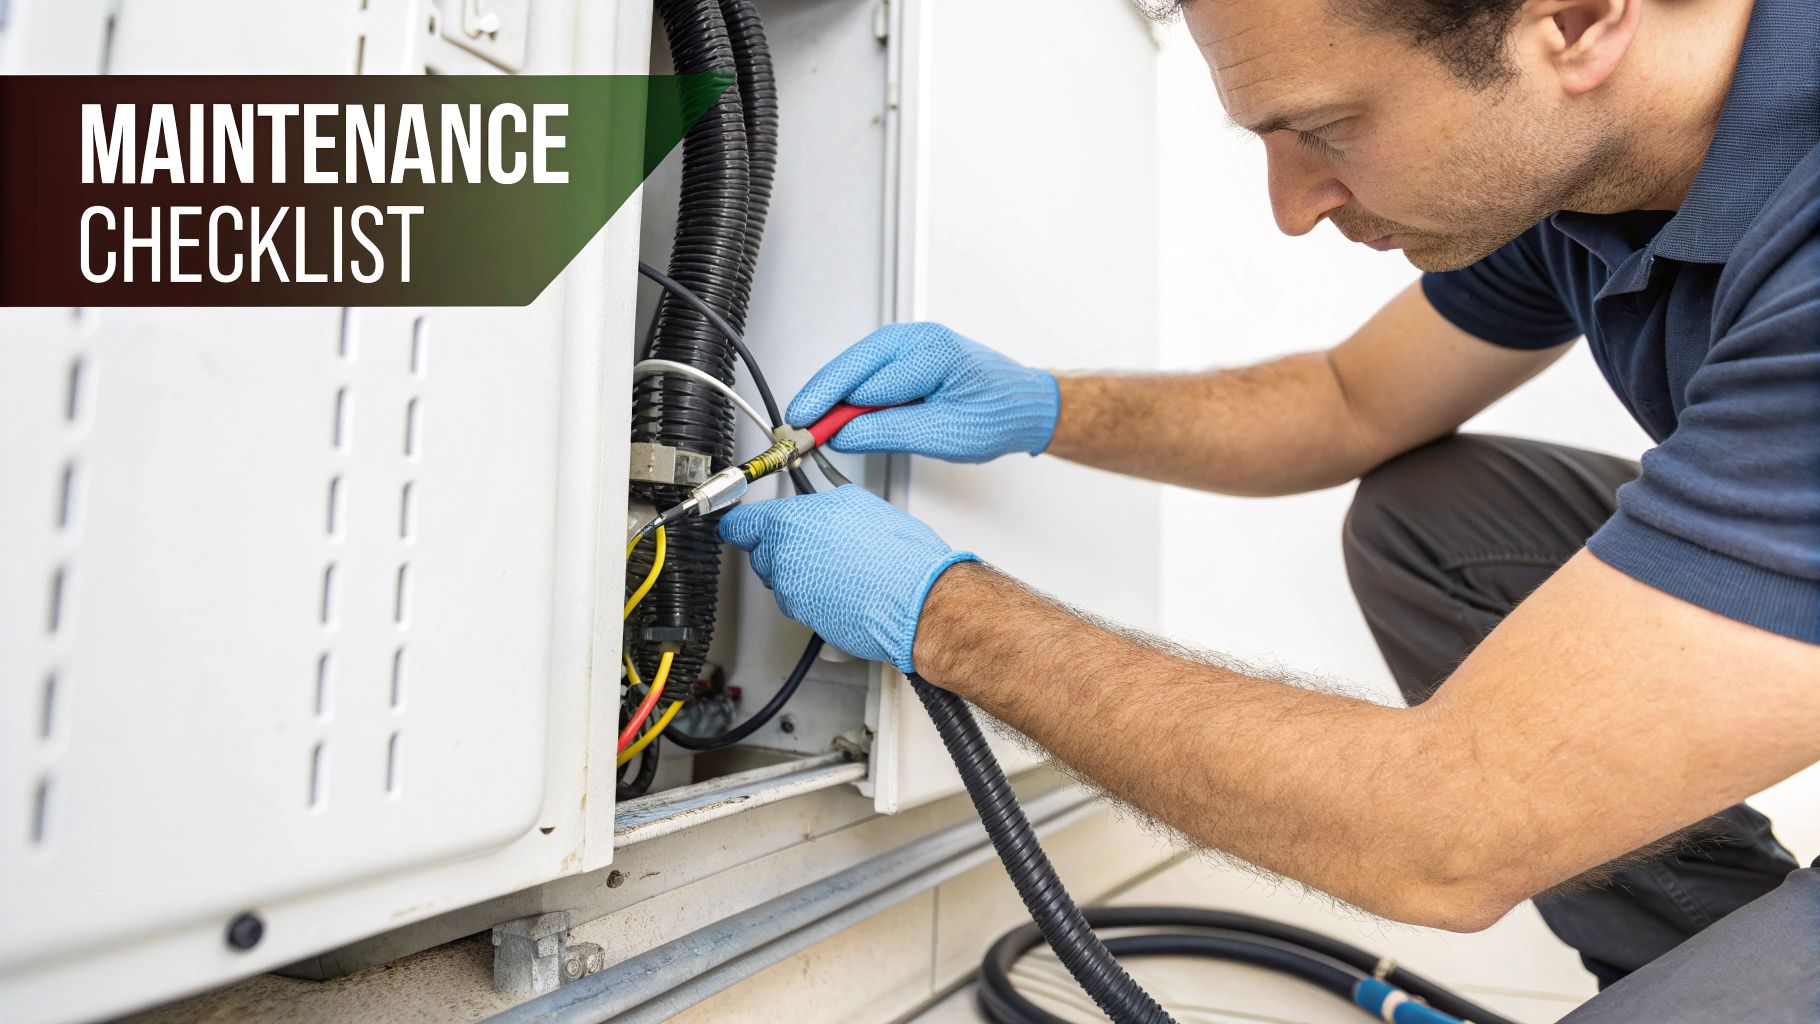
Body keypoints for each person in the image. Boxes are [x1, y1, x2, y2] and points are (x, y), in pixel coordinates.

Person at [717, 0, 1820, 1015]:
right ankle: (1693, 952)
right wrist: (1040, 406)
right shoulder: (1582, 166)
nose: (1292, 209)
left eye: (1324, 130)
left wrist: (945, 614)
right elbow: (1349, 403)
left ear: (1574, 22)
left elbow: (1442, 831)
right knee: (1437, 516)